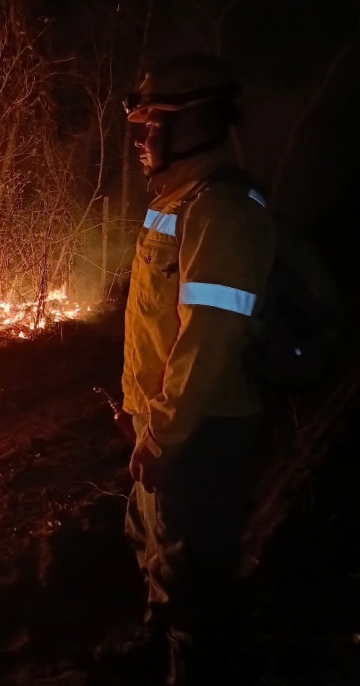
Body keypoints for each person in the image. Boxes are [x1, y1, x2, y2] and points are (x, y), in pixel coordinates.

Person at [101, 53, 276, 685]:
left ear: (197, 124)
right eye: (142, 125)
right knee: (153, 547)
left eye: (157, 125)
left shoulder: (221, 211)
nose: (144, 140)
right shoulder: (178, 201)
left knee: (191, 569)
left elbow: (208, 340)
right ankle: (157, 645)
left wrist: (166, 437)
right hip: (166, 421)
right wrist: (140, 411)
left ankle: (194, 670)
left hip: (200, 429)